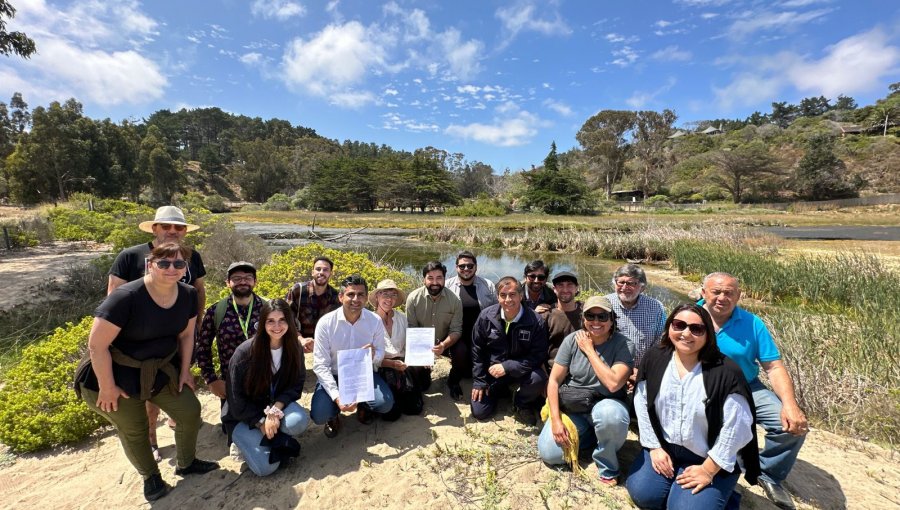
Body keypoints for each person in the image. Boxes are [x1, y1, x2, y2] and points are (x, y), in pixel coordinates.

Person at [76, 243, 218, 502]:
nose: (171, 269)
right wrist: (107, 387)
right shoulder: (126, 296)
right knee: (135, 428)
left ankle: (186, 463)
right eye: (164, 263)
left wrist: (185, 371)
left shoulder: (187, 294)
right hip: (112, 374)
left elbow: (187, 335)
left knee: (189, 411)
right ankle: (150, 477)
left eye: (178, 264)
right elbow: (97, 346)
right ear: (150, 264)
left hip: (159, 370)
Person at [626, 303, 760, 509]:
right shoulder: (655, 358)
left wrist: (708, 469)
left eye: (696, 329)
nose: (686, 333)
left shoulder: (725, 372)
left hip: (706, 455)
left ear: (708, 333)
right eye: (679, 325)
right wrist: (654, 447)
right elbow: (642, 403)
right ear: (669, 327)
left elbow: (738, 427)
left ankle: (725, 495)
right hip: (666, 447)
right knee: (643, 494)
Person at [701, 273, 807, 510]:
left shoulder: (753, 323)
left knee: (789, 425)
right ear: (703, 293)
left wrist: (790, 404)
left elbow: (774, 366)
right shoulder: (688, 316)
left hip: (746, 386)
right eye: (716, 292)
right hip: (701, 385)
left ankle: (768, 473)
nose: (722, 298)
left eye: (729, 293)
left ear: (738, 296)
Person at [107, 206, 207, 457]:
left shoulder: (192, 256)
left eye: (179, 227)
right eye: (166, 226)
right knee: (148, 389)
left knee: (181, 378)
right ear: (155, 228)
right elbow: (113, 295)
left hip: (180, 334)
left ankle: (177, 419)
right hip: (141, 342)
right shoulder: (130, 256)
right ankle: (151, 437)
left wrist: (198, 322)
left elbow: (199, 289)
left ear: (185, 231)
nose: (173, 231)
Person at [537, 296, 632, 485]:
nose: (596, 322)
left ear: (611, 319)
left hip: (606, 403)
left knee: (610, 416)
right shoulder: (572, 340)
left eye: (602, 317)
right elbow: (554, 381)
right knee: (550, 454)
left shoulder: (624, 344)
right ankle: (595, 435)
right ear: (583, 318)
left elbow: (613, 383)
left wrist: (589, 350)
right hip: (576, 405)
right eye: (591, 316)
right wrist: (556, 420)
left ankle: (607, 463)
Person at [223, 299, 310, 477]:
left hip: (273, 405)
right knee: (266, 469)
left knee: (298, 421)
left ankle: (272, 435)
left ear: (290, 322)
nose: (277, 326)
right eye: (270, 321)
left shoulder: (294, 348)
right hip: (243, 416)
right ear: (262, 323)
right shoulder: (244, 353)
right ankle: (242, 442)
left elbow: (297, 383)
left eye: (282, 320)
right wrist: (261, 422)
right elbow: (235, 399)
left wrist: (275, 410)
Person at [310, 275, 395, 437]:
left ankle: (363, 405)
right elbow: (320, 365)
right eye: (350, 294)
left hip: (363, 375)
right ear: (341, 297)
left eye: (361, 294)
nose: (356, 299)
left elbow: (381, 353)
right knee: (319, 415)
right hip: (334, 375)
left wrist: (373, 355)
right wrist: (336, 397)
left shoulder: (374, 320)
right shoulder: (326, 323)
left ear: (366, 298)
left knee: (385, 404)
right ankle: (333, 414)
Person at [194, 261, 264, 448]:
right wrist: (211, 379)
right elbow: (203, 347)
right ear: (228, 283)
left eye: (248, 278)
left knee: (265, 425)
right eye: (236, 278)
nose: (243, 282)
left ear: (255, 282)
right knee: (232, 431)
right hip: (230, 383)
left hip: (263, 379)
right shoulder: (216, 311)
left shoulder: (267, 308)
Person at [470, 276, 548, 425]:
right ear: (497, 297)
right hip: (492, 372)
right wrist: (479, 381)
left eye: (512, 294)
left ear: (520, 296)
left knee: (538, 379)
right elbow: (477, 350)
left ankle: (521, 403)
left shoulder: (535, 320)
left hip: (521, 371)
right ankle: (501, 391)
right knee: (480, 412)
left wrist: (508, 366)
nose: (508, 300)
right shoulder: (485, 317)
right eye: (503, 295)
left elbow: (538, 355)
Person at [405, 261, 464, 400]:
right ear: (424, 279)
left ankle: (453, 381)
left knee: (462, 350)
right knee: (423, 386)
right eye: (430, 278)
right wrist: (423, 352)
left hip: (445, 341)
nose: (435, 282)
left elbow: (456, 330)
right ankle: (424, 374)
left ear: (444, 279)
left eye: (439, 278)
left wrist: (443, 345)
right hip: (421, 343)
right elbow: (412, 329)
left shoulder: (455, 300)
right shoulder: (413, 298)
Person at [369, 279, 423, 420]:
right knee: (391, 415)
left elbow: (409, 345)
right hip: (379, 367)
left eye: (393, 295)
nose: (389, 299)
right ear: (377, 297)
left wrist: (421, 356)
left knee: (414, 408)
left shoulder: (402, 318)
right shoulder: (368, 320)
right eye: (384, 294)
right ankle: (366, 405)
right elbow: (369, 357)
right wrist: (391, 364)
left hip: (401, 365)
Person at [445, 251, 497, 396]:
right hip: (457, 334)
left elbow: (497, 311)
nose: (466, 269)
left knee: (474, 372)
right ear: (456, 268)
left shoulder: (488, 285)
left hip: (482, 334)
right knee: (460, 357)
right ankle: (453, 380)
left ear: (475, 267)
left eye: (470, 265)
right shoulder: (448, 286)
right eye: (462, 266)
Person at [605, 264, 666, 387]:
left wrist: (642, 371)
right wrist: (623, 373)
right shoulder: (605, 304)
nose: (624, 287)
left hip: (644, 371)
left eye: (631, 283)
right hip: (610, 371)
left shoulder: (655, 307)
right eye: (620, 282)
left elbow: (660, 341)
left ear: (642, 287)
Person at [285, 256, 341, 353]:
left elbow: (336, 327)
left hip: (323, 347)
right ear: (312, 272)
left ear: (330, 274)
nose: (321, 272)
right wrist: (301, 340)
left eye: (325, 270)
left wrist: (319, 344)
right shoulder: (298, 290)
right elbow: (286, 319)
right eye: (318, 269)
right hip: (295, 343)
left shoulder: (335, 296)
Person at [537, 271, 583, 364]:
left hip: (581, 368)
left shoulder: (587, 312)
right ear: (554, 289)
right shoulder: (546, 314)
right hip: (553, 368)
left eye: (569, 285)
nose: (565, 289)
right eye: (560, 285)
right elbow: (538, 350)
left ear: (577, 288)